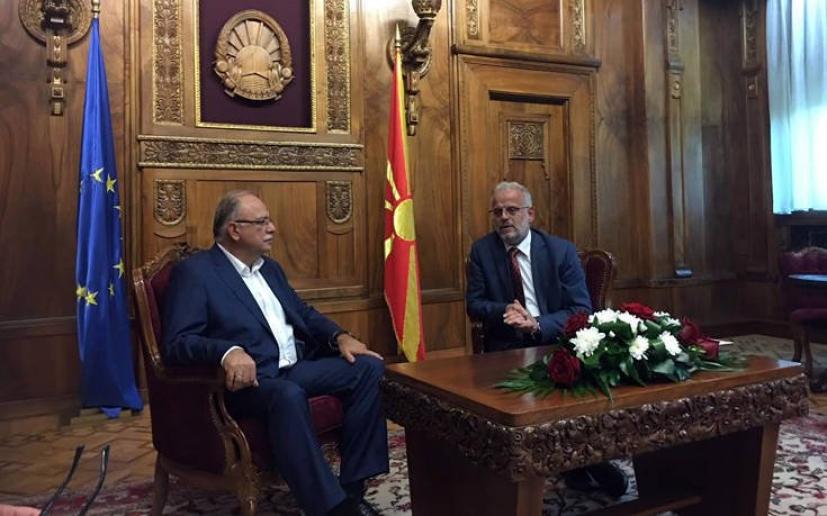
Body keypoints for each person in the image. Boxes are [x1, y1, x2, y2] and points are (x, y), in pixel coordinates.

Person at [162, 191, 387, 516]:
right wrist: (228, 351)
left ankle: (352, 489)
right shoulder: (197, 273)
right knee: (287, 395)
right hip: (247, 384)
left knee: (368, 368)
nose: (273, 228)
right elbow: (178, 342)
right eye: (262, 222)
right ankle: (330, 508)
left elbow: (303, 313)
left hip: (294, 367)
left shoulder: (270, 269)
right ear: (234, 230)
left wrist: (340, 336)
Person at [465, 181, 628, 497]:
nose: (504, 217)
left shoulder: (559, 250)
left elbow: (581, 309)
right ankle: (533, 471)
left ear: (530, 214)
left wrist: (537, 323)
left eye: (512, 210)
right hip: (506, 346)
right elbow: (474, 303)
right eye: (497, 211)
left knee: (577, 392)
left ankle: (586, 461)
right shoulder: (483, 251)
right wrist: (506, 310)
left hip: (554, 341)